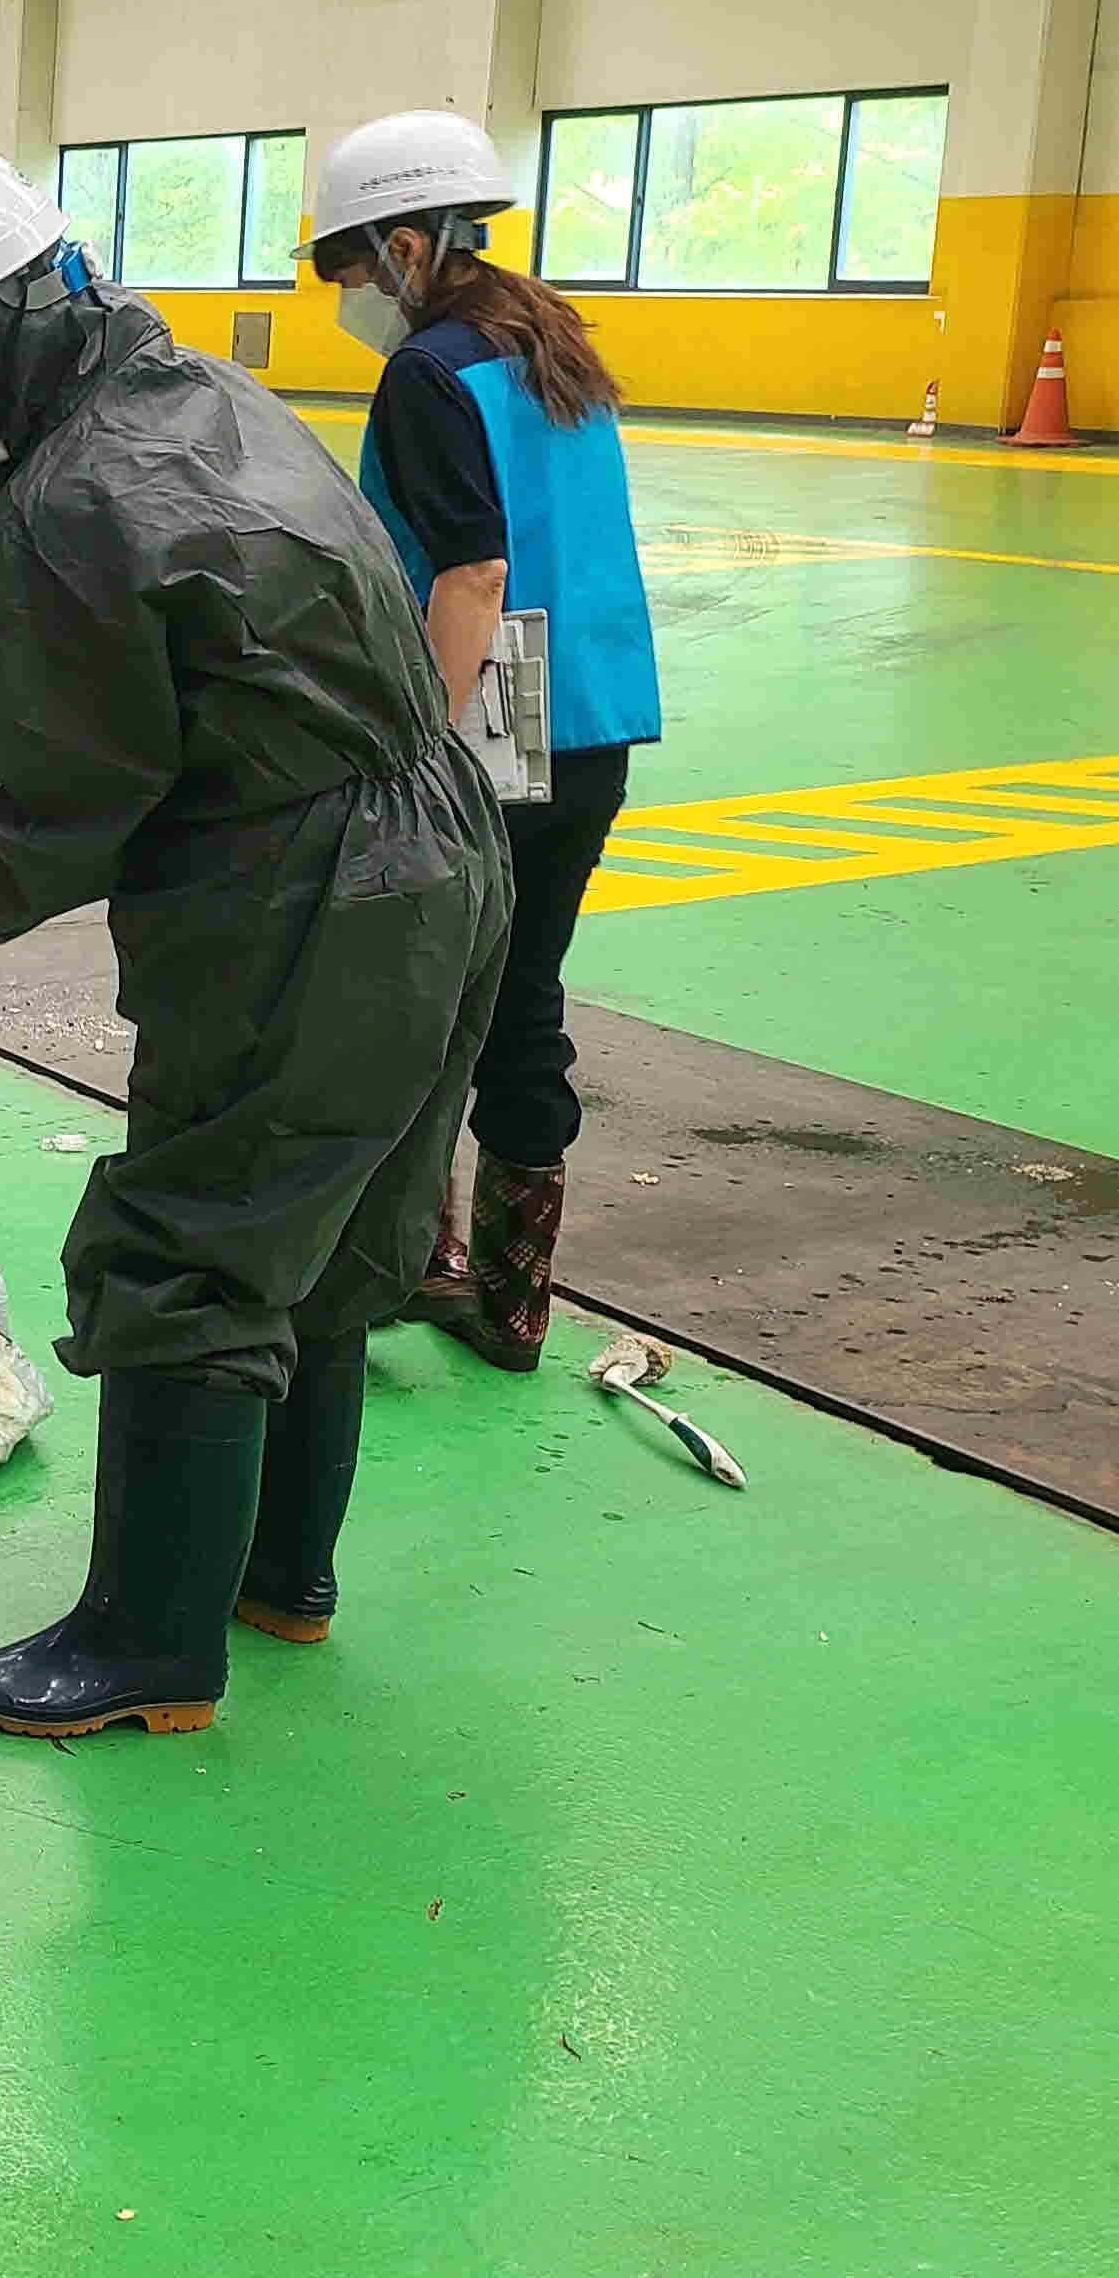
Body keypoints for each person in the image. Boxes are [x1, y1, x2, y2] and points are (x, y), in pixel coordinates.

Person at [0, 141, 511, 1734]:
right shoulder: (192, 392)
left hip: (303, 884)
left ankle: (144, 1644)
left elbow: (81, 779)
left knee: (191, 1238)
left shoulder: (74, 496)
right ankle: (279, 1577)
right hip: (436, 839)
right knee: (327, 1234)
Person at [309, 109, 661, 1372]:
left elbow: (469, 572)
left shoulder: (428, 372)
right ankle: (512, 1297)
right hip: (592, 715)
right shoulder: (544, 345)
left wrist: (421, 748)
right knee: (524, 989)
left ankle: (423, 1254)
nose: (348, 295)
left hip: (490, 711)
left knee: (428, 994)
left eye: (351, 267)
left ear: (407, 244)